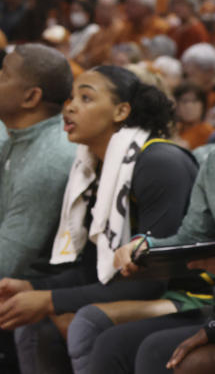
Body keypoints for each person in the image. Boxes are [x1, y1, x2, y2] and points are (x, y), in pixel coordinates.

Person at [0, 66, 201, 374]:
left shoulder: (159, 163)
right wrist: (30, 287)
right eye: (71, 98)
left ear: (121, 111)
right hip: (154, 291)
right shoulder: (95, 169)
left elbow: (150, 281)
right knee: (34, 326)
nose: (70, 107)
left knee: (86, 322)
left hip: (195, 295)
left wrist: (48, 299)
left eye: (86, 98)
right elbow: (93, 267)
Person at [0, 45, 76, 374]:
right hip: (20, 284)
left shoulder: (47, 160)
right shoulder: (25, 139)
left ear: (31, 97)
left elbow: (0, 270)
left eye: (5, 74)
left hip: (41, 292)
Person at [86, 150, 215, 372]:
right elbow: (194, 237)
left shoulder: (163, 163)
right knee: (114, 344)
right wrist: (147, 247)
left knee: (164, 354)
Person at [173, 82, 215, 149]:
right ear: (176, 105)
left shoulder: (207, 131)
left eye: (194, 101)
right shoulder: (174, 129)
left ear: (202, 105)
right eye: (184, 101)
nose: (189, 106)